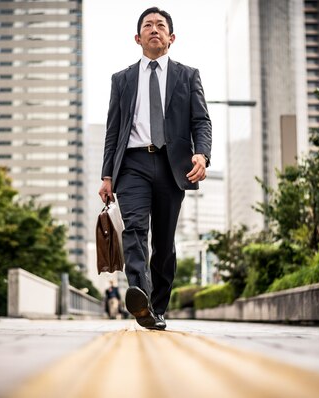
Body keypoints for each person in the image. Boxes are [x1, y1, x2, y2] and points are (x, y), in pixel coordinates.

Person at [98, 7, 212, 330]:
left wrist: (202, 154)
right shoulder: (121, 80)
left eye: (160, 25)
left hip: (172, 165)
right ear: (138, 38)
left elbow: (201, 120)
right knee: (134, 229)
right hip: (132, 164)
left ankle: (158, 306)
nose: (154, 29)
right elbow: (113, 129)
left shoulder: (188, 76)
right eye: (147, 25)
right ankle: (142, 301)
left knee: (163, 243)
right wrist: (107, 175)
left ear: (171, 38)